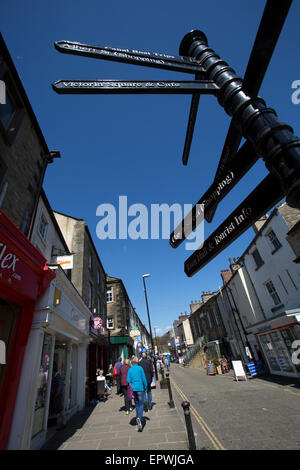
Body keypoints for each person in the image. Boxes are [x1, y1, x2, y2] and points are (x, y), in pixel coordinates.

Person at [127, 355, 147, 432]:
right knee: (141, 404)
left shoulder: (130, 369)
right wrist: (145, 387)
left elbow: (128, 380)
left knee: (137, 404)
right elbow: (143, 378)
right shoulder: (140, 368)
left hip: (133, 389)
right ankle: (139, 417)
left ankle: (138, 417)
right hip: (140, 388)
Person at [50, 362, 66, 431]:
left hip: (58, 395)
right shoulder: (56, 376)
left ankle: (63, 422)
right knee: (58, 408)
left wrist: (56, 394)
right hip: (57, 395)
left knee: (60, 409)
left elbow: (59, 386)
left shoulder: (57, 376)